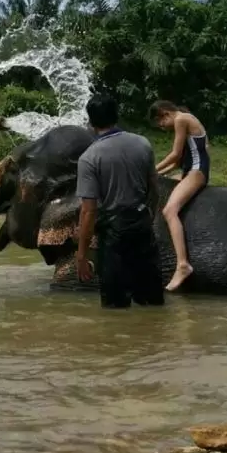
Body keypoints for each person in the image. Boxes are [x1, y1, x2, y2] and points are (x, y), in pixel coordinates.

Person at [75, 91, 165, 309]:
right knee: (152, 304)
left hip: (115, 235)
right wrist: (147, 217)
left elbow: (89, 212)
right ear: (116, 116)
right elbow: (154, 188)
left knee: (115, 310)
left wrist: (81, 256)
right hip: (143, 227)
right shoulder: (143, 143)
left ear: (90, 122)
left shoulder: (89, 158)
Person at [149, 100, 211, 291]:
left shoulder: (181, 119)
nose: (161, 127)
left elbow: (175, 155)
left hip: (196, 172)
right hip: (188, 170)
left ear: (165, 113)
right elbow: (177, 163)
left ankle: (182, 264)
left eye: (160, 123)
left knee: (169, 211)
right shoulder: (185, 120)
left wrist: (150, 171)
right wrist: (158, 174)